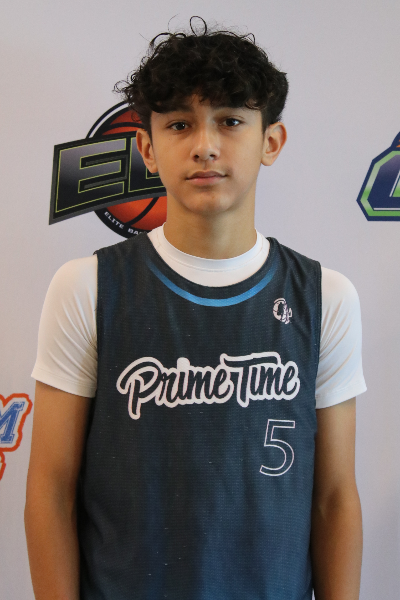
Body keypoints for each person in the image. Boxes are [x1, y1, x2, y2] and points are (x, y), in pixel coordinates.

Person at [25, 18, 366, 600]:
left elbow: (334, 497)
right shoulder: (87, 287)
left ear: (271, 142)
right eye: (180, 124)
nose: (205, 145)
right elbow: (50, 489)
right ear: (148, 148)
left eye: (230, 121)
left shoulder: (325, 297)